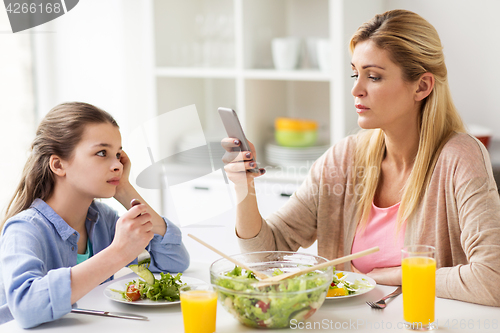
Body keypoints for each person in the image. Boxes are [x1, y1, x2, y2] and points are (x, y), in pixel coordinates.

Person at [221, 9, 500, 307]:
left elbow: (493, 279)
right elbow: (265, 255)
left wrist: (400, 275)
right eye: (355, 73)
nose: (356, 89)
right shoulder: (343, 160)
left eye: (374, 77)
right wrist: (243, 187)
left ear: (421, 86)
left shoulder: (460, 158)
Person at [0, 102, 190, 328]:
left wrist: (124, 189)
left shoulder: (103, 220)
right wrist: (118, 253)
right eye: (102, 153)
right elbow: (26, 307)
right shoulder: (24, 229)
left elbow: (174, 261)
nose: (117, 165)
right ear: (58, 164)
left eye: (118, 154)